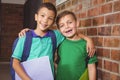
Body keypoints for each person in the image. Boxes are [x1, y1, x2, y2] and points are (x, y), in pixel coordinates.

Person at [16, 2, 95, 80]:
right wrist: (28, 32)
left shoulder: (56, 35)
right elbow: (15, 62)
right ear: (36, 17)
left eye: (50, 18)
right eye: (42, 16)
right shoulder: (25, 36)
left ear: (53, 22)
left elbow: (71, 33)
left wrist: (88, 39)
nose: (45, 20)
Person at [55, 11, 97, 80]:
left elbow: (91, 68)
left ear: (77, 23)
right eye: (62, 25)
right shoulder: (60, 42)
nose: (66, 26)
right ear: (59, 30)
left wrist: (89, 40)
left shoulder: (87, 45)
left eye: (70, 22)